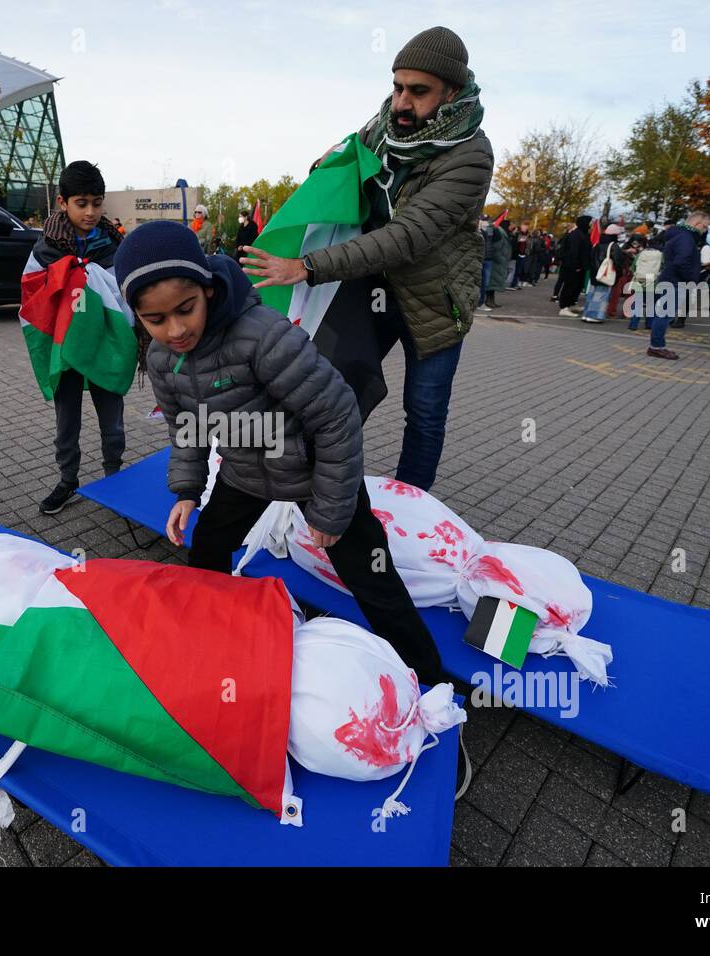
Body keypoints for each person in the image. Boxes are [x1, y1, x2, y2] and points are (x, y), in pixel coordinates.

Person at [114, 220, 450, 684]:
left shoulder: (262, 335)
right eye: (156, 320)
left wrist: (331, 510)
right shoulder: (161, 358)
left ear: (208, 290)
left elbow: (337, 415)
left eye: (185, 309)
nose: (175, 329)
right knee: (208, 551)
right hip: (244, 472)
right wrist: (187, 490)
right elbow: (185, 427)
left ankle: (433, 682)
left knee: (374, 580)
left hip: (316, 472)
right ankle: (211, 638)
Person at [239, 25, 493, 493]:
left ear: (451, 92)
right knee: (328, 391)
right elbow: (344, 161)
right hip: (369, 292)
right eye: (397, 86)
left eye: (419, 92)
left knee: (424, 413)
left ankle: (409, 507)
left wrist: (308, 267)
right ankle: (310, 488)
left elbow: (406, 237)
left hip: (434, 306)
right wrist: (326, 168)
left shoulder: (470, 154)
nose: (401, 102)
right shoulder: (382, 128)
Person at [28, 161, 130, 515]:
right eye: (81, 203)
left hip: (105, 345)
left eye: (97, 203)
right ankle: (67, 479)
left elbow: (127, 292)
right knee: (66, 415)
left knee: (111, 416)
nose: (90, 212)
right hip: (65, 346)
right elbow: (32, 297)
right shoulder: (45, 249)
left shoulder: (115, 245)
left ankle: (114, 477)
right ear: (62, 202)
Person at [649, 210, 709, 358]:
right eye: (705, 226)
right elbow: (681, 261)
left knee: (663, 314)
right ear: (697, 223)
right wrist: (690, 278)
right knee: (664, 315)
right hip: (675, 281)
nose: (705, 230)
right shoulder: (686, 238)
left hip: (671, 279)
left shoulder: (679, 235)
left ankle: (656, 345)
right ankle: (657, 346)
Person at [556, 215, 593, 316]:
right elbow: (573, 252)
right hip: (572, 266)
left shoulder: (583, 234)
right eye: (589, 222)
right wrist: (576, 265)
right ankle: (564, 307)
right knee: (569, 286)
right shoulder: (576, 235)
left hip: (580, 266)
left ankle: (572, 304)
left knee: (577, 286)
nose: (591, 225)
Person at [606, 235, 643, 319]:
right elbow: (618, 254)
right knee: (616, 292)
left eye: (637, 243)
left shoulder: (642, 250)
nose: (635, 244)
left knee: (628, 293)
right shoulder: (625, 247)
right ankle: (611, 311)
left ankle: (625, 312)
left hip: (631, 273)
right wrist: (627, 251)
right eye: (634, 242)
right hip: (623, 272)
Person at [485, 215, 509, 309]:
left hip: (497, 259)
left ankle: (490, 299)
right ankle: (488, 300)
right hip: (495, 258)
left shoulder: (498, 230)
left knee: (493, 281)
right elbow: (493, 244)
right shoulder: (495, 230)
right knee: (491, 281)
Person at [477, 216, 494, 311]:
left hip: (488, 258)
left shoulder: (490, 231)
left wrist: (493, 228)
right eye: (483, 220)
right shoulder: (478, 231)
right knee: (476, 281)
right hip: (479, 259)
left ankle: (481, 302)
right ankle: (475, 303)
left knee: (485, 283)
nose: (485, 223)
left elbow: (497, 239)